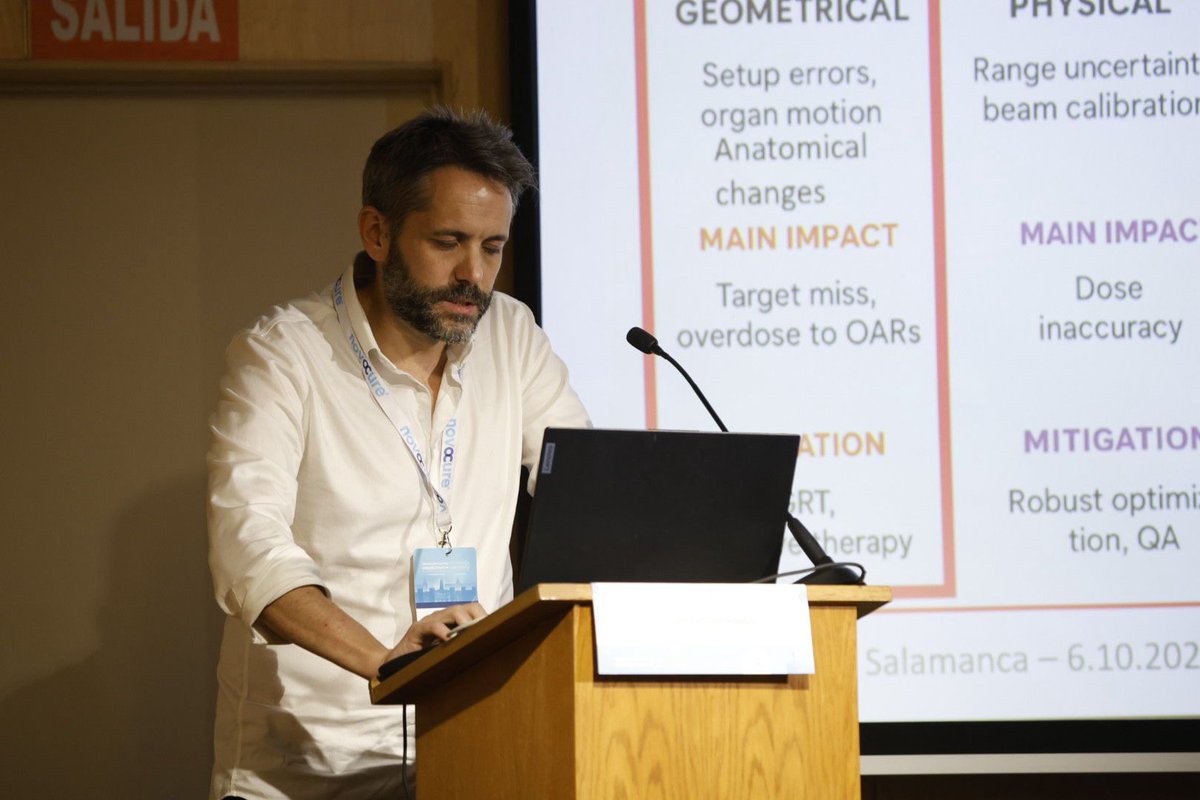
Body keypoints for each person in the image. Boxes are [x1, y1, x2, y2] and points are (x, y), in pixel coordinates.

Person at [205, 108, 589, 799]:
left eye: (493, 247)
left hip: (471, 747)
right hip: (310, 769)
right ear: (377, 233)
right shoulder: (282, 354)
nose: (474, 274)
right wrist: (388, 664)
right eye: (448, 242)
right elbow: (247, 548)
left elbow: (590, 491)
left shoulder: (511, 335)